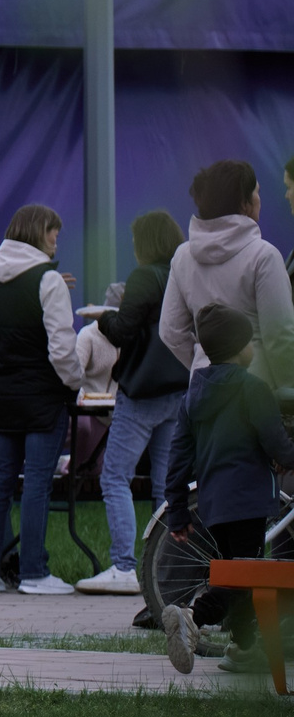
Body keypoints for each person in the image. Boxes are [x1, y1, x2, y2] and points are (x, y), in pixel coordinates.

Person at [159, 304, 294, 677]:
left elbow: (178, 457)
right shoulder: (253, 389)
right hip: (248, 499)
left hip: (213, 503)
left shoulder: (194, 395)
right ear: (240, 349)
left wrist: (178, 511)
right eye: (250, 341)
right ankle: (193, 616)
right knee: (244, 577)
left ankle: (244, 648)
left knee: (237, 570)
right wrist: (285, 456)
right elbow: (278, 445)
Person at [0, 204, 85, 595]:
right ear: (39, 233)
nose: (56, 242)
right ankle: (34, 572)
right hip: (43, 395)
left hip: (2, 391)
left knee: (0, 480)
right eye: (53, 233)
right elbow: (62, 349)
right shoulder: (47, 281)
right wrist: (77, 383)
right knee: (37, 481)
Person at [77, 210, 191, 596]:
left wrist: (102, 319)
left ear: (147, 243)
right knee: (165, 484)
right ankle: (167, 569)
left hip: (142, 391)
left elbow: (124, 329)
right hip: (178, 390)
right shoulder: (182, 275)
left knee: (114, 476)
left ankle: (125, 565)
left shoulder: (145, 276)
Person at [160, 159, 294, 390]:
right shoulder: (264, 256)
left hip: (203, 390)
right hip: (257, 393)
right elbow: (280, 338)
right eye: (257, 193)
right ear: (244, 204)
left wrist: (204, 362)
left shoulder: (183, 255)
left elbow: (170, 332)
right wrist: (288, 390)